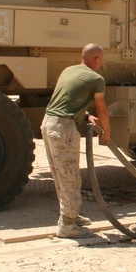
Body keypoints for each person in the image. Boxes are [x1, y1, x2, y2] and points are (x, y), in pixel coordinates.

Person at [41, 43, 111, 238]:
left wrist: (86, 115)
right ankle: (68, 224)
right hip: (63, 129)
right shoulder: (96, 79)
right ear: (96, 59)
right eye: (101, 60)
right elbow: (103, 109)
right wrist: (107, 132)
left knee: (61, 174)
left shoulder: (68, 70)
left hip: (48, 124)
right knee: (70, 175)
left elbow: (67, 99)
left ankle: (70, 215)